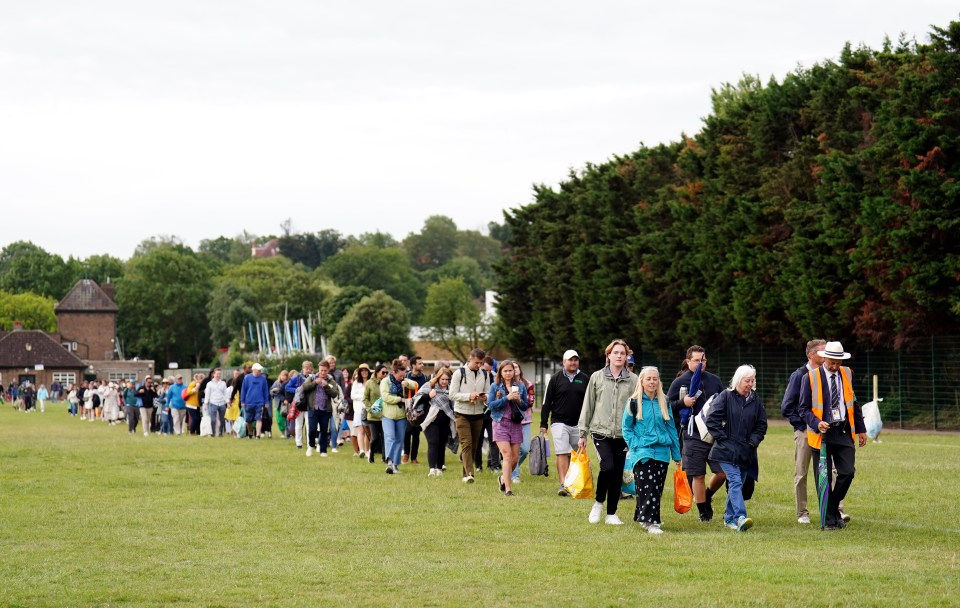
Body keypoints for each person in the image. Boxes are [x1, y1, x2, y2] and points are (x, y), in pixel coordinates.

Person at [799, 341, 867, 531]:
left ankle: (832, 510)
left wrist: (860, 429)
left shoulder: (847, 373)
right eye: (832, 362)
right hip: (822, 435)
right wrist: (816, 423)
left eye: (838, 363)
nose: (835, 367)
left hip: (844, 431)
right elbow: (802, 409)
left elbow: (853, 402)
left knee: (847, 473)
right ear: (824, 358)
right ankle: (829, 521)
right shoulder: (809, 378)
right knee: (825, 478)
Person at [578, 339, 638, 525]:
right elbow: (588, 404)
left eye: (622, 353)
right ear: (608, 355)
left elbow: (637, 409)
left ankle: (612, 513)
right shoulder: (597, 377)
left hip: (623, 434)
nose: (619, 356)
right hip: (600, 431)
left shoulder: (634, 380)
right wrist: (582, 433)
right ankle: (598, 503)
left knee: (618, 472)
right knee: (608, 467)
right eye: (616, 353)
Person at [667, 345, 726, 522]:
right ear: (688, 361)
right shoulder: (680, 382)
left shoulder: (715, 380)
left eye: (703, 360)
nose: (701, 363)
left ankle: (707, 495)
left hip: (714, 433)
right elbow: (667, 406)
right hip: (693, 434)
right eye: (696, 360)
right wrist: (682, 403)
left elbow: (724, 402)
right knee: (698, 474)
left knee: (722, 472)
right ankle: (703, 512)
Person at [706, 365, 768, 532]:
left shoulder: (755, 400)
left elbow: (761, 425)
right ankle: (740, 517)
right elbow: (711, 419)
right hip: (725, 450)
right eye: (747, 380)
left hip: (745, 451)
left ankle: (729, 518)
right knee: (734, 481)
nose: (750, 384)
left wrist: (753, 441)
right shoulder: (725, 396)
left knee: (738, 484)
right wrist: (723, 438)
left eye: (752, 380)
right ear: (738, 380)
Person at [622, 366, 681, 534]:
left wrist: (677, 454)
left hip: (662, 452)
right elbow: (626, 428)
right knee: (648, 486)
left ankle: (641, 516)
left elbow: (671, 429)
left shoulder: (665, 401)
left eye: (655, 379)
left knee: (656, 487)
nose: (652, 382)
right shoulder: (634, 402)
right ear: (641, 381)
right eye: (648, 379)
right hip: (642, 451)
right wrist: (636, 444)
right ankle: (651, 522)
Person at [781, 338, 826, 524]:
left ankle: (834, 509)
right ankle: (802, 513)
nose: (827, 355)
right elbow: (786, 407)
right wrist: (802, 426)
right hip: (805, 431)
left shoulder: (830, 373)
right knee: (802, 472)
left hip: (826, 431)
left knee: (830, 471)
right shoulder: (799, 375)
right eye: (823, 351)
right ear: (811, 355)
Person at [540, 349, 590, 496]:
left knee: (575, 454)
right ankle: (564, 485)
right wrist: (543, 423)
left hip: (578, 424)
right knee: (562, 452)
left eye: (576, 360)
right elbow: (546, 402)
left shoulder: (585, 378)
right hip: (559, 421)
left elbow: (589, 403)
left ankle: (573, 482)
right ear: (564, 362)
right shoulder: (555, 379)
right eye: (570, 360)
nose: (573, 362)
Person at [487, 360, 529, 496]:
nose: (508, 373)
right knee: (507, 455)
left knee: (515, 459)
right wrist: (507, 398)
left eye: (510, 370)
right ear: (501, 372)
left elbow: (525, 406)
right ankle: (508, 489)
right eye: (505, 371)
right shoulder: (495, 386)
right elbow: (491, 405)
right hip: (500, 423)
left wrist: (519, 400)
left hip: (516, 424)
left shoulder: (520, 386)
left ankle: (503, 479)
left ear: (514, 371)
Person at [451, 348, 491, 483]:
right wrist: (469, 396)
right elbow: (452, 395)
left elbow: (488, 393)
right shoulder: (458, 374)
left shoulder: (485, 374)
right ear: (470, 358)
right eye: (477, 363)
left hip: (479, 414)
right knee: (466, 444)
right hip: (462, 413)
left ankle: (465, 474)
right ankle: (470, 474)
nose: (479, 366)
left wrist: (484, 397)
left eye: (481, 363)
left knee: (474, 445)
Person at [380, 359, 417, 474]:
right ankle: (389, 462)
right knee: (390, 437)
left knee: (399, 440)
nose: (402, 377)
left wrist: (407, 383)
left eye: (404, 375)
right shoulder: (385, 382)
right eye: (400, 375)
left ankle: (395, 465)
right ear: (394, 372)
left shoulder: (404, 380)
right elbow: (386, 397)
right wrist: (400, 399)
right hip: (388, 415)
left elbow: (415, 385)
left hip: (401, 416)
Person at [418, 366, 456, 477]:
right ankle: (431, 469)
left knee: (441, 444)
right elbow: (417, 399)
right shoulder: (429, 386)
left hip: (446, 421)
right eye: (442, 379)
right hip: (431, 420)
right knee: (433, 442)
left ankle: (439, 468)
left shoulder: (451, 390)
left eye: (447, 379)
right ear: (438, 378)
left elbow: (453, 405)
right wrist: (428, 396)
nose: (444, 382)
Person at [301, 360, 341, 457]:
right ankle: (311, 446)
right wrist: (315, 383)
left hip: (325, 410)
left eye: (325, 370)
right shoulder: (311, 378)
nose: (323, 372)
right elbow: (304, 387)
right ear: (318, 369)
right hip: (313, 408)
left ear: (328, 370)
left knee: (324, 430)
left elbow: (335, 393)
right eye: (321, 370)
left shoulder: (331, 381)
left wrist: (326, 386)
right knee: (312, 429)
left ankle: (323, 450)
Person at [512, 363, 535, 484]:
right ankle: (515, 475)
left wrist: (520, 399)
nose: (514, 369)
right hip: (511, 421)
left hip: (525, 419)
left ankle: (509, 467)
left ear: (519, 369)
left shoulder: (528, 384)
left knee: (525, 449)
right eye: (512, 367)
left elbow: (531, 402)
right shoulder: (506, 385)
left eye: (516, 367)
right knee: (514, 449)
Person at [403, 355, 429, 464]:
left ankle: (414, 457)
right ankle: (406, 454)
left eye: (422, 363)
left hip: (420, 409)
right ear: (413, 365)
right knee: (407, 431)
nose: (422, 365)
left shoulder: (425, 378)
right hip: (408, 407)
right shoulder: (406, 376)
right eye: (420, 363)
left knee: (416, 433)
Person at [240, 363, 270, 439]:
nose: (259, 371)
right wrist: (242, 401)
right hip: (249, 402)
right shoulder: (247, 378)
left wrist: (266, 402)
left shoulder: (263, 379)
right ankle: (250, 433)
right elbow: (243, 390)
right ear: (253, 369)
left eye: (260, 370)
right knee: (248, 420)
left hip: (260, 402)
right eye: (258, 370)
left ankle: (258, 435)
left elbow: (265, 391)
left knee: (259, 418)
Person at [364, 364, 387, 464]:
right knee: (375, 438)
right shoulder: (369, 383)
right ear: (377, 373)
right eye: (383, 372)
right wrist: (370, 409)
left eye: (386, 372)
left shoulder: (387, 383)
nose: (385, 374)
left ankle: (384, 458)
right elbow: (365, 398)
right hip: (373, 416)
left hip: (385, 415)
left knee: (385, 437)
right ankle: (371, 454)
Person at [351, 364, 372, 458]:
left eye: (366, 370)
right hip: (359, 410)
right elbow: (352, 396)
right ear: (359, 372)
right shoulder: (356, 383)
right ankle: (362, 450)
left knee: (368, 431)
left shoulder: (371, 382)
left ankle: (367, 450)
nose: (364, 372)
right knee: (360, 430)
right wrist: (363, 397)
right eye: (362, 371)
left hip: (370, 409)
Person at [204, 368, 230, 437]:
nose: (218, 375)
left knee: (222, 419)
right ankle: (213, 432)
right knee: (213, 419)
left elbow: (226, 393)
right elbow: (207, 394)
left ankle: (220, 433)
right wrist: (206, 403)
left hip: (221, 403)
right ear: (214, 374)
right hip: (213, 403)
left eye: (219, 374)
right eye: (217, 374)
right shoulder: (209, 384)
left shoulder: (223, 383)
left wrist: (227, 402)